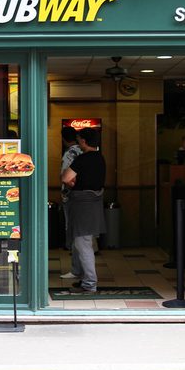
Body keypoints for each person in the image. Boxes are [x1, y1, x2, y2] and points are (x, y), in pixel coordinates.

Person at [61, 127, 106, 294]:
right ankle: (84, 278)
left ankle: (89, 283)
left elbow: (66, 178)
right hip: (95, 203)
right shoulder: (100, 158)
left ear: (84, 141)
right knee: (84, 242)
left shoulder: (82, 159)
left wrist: (71, 182)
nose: (78, 142)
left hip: (82, 205)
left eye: (80, 139)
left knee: (82, 243)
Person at [59, 126, 82, 277]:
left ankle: (76, 269)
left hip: (72, 196)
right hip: (85, 196)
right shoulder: (84, 152)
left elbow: (66, 176)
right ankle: (81, 267)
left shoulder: (69, 154)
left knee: (73, 231)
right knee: (83, 234)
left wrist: (65, 193)